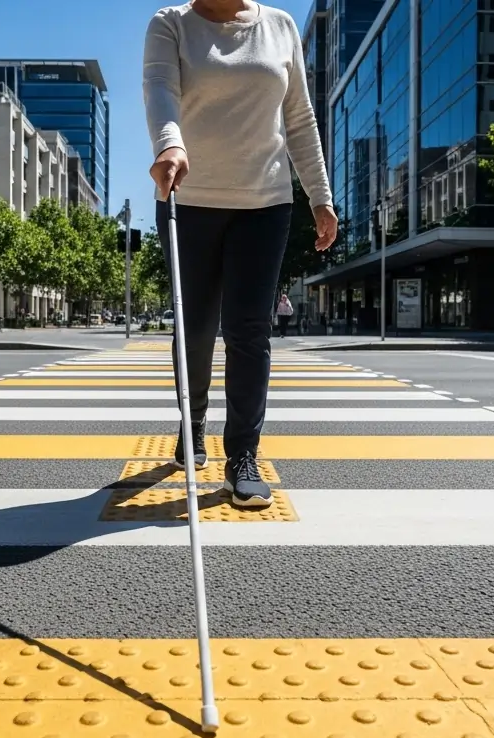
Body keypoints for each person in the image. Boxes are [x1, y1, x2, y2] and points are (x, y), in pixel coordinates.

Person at [143, 0, 337, 507]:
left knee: (250, 329)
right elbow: (160, 88)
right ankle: (195, 419)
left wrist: (320, 197)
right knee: (198, 328)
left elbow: (298, 117)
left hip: (264, 203)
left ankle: (242, 456)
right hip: (189, 199)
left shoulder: (280, 26)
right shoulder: (171, 24)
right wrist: (168, 144)